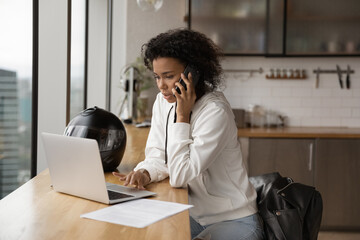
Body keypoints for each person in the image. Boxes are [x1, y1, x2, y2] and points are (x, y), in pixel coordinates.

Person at [113, 28, 264, 240]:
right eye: (157, 77)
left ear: (192, 73)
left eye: (168, 76)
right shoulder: (163, 103)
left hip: (233, 219)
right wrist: (144, 172)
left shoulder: (215, 112)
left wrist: (181, 116)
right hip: (193, 214)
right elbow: (158, 154)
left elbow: (180, 175)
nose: (161, 86)